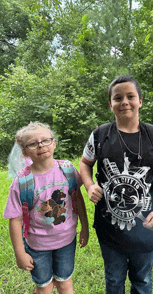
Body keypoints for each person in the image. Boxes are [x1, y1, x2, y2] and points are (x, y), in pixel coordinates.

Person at [80, 75, 153, 294]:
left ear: (140, 101)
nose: (124, 101)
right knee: (114, 281)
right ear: (110, 104)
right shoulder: (100, 136)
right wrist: (88, 185)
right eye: (117, 98)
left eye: (130, 96)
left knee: (142, 281)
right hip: (109, 229)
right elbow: (85, 163)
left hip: (146, 228)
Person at [4, 122, 89, 294]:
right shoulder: (22, 182)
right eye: (33, 143)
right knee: (44, 287)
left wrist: (85, 227)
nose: (41, 145)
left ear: (54, 143)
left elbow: (78, 199)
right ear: (25, 152)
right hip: (37, 245)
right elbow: (15, 219)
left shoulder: (68, 170)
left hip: (67, 241)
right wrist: (20, 253)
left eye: (45, 140)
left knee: (65, 283)